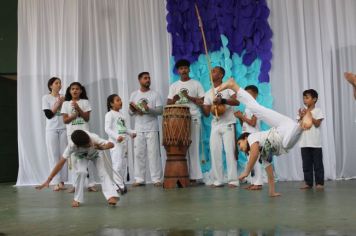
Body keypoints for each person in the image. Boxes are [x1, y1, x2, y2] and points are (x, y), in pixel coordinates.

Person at [218, 78, 313, 197]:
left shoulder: (252, 137)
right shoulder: (264, 155)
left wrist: (247, 171)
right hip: (285, 132)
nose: (241, 148)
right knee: (287, 143)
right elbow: (270, 174)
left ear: (245, 138)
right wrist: (272, 192)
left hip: (282, 128)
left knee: (256, 109)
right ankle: (303, 121)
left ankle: (233, 85)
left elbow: (253, 154)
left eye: (239, 143)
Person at [36, 130, 119, 207]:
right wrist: (48, 180)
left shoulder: (93, 137)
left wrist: (102, 147)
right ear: (78, 146)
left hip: (96, 155)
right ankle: (77, 199)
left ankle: (111, 196)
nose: (90, 144)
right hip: (81, 156)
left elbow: (112, 144)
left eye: (89, 142)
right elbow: (60, 164)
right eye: (87, 144)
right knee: (81, 172)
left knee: (102, 172)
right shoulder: (72, 146)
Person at [167, 59, 205, 184]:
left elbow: (202, 102)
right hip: (178, 120)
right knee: (180, 148)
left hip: (193, 117)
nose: (183, 70)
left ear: (189, 69)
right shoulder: (174, 86)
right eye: (181, 68)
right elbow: (168, 104)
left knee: (193, 148)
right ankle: (182, 175)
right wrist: (174, 99)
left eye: (185, 68)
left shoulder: (196, 84)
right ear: (178, 71)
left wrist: (188, 97)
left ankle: (194, 176)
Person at [202, 66, 240, 187]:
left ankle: (233, 180)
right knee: (215, 152)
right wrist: (204, 104)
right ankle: (218, 180)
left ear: (221, 75)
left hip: (228, 123)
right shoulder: (208, 93)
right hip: (215, 125)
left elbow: (236, 102)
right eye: (211, 71)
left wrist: (222, 101)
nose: (211, 73)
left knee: (229, 152)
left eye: (214, 71)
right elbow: (207, 113)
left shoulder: (228, 88)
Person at [61, 82, 97, 192]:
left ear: (81, 91)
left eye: (77, 89)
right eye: (72, 89)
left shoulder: (85, 102)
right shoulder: (66, 104)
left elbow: (86, 118)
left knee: (89, 158)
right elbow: (65, 120)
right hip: (72, 134)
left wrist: (78, 109)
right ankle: (75, 185)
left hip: (85, 134)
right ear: (70, 91)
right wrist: (74, 115)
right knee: (73, 160)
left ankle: (91, 184)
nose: (75, 91)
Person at [129, 72, 163, 186]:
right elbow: (130, 112)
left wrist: (148, 109)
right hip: (138, 128)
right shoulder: (134, 94)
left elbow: (160, 111)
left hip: (152, 127)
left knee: (153, 154)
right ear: (139, 80)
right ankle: (139, 179)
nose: (148, 80)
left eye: (149, 78)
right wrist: (134, 110)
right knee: (139, 154)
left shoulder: (155, 94)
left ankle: (156, 179)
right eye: (145, 78)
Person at [105, 94, 136, 194]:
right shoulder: (110, 114)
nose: (121, 102)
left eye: (121, 100)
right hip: (115, 143)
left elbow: (124, 128)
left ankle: (121, 183)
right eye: (118, 100)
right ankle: (117, 185)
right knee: (117, 164)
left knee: (123, 164)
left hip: (124, 142)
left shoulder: (122, 115)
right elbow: (107, 129)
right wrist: (116, 137)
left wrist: (132, 133)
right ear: (111, 103)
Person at [235, 85, 263, 190]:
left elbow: (253, 122)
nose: (246, 96)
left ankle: (258, 183)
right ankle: (253, 181)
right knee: (250, 160)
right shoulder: (248, 107)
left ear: (255, 95)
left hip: (254, 136)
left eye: (249, 94)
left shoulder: (256, 107)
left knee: (255, 160)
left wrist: (242, 116)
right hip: (247, 136)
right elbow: (244, 124)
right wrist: (240, 118)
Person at [42, 77, 68, 191]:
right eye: (56, 83)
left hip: (63, 128)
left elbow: (66, 113)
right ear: (50, 86)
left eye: (60, 83)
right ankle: (56, 181)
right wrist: (58, 103)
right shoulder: (46, 97)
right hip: (51, 129)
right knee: (54, 155)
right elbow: (48, 115)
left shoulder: (64, 98)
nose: (59, 85)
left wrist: (63, 102)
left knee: (64, 155)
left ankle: (62, 181)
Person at [298, 89, 324, 190]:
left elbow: (317, 124)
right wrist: (301, 117)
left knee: (318, 164)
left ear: (314, 99)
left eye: (307, 98)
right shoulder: (302, 111)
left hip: (315, 143)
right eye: (304, 98)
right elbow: (300, 125)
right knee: (306, 165)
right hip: (304, 143)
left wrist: (309, 115)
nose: (305, 100)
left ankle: (319, 183)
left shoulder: (318, 111)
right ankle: (308, 183)